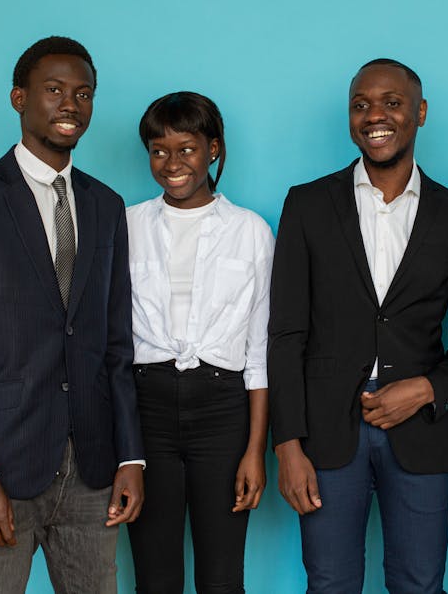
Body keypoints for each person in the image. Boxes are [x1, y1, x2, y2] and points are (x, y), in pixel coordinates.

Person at [0, 36, 144, 594]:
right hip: (4, 463)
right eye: (54, 90)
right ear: (19, 98)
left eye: (84, 93)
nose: (70, 104)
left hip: (93, 468)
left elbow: (117, 344)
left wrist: (131, 457)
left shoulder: (106, 205)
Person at [268, 59, 448, 593]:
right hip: (324, 434)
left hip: (422, 433)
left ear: (420, 112)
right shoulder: (307, 204)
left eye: (392, 102)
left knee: (419, 584)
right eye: (361, 104)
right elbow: (285, 333)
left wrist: (427, 389)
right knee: (329, 584)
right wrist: (288, 445)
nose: (376, 115)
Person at [125, 91, 272, 594]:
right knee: (155, 575)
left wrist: (255, 450)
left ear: (213, 149)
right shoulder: (127, 226)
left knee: (222, 577)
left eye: (186, 149)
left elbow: (258, 353)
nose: (172, 163)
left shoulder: (250, 231)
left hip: (223, 411)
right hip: (148, 408)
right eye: (159, 150)